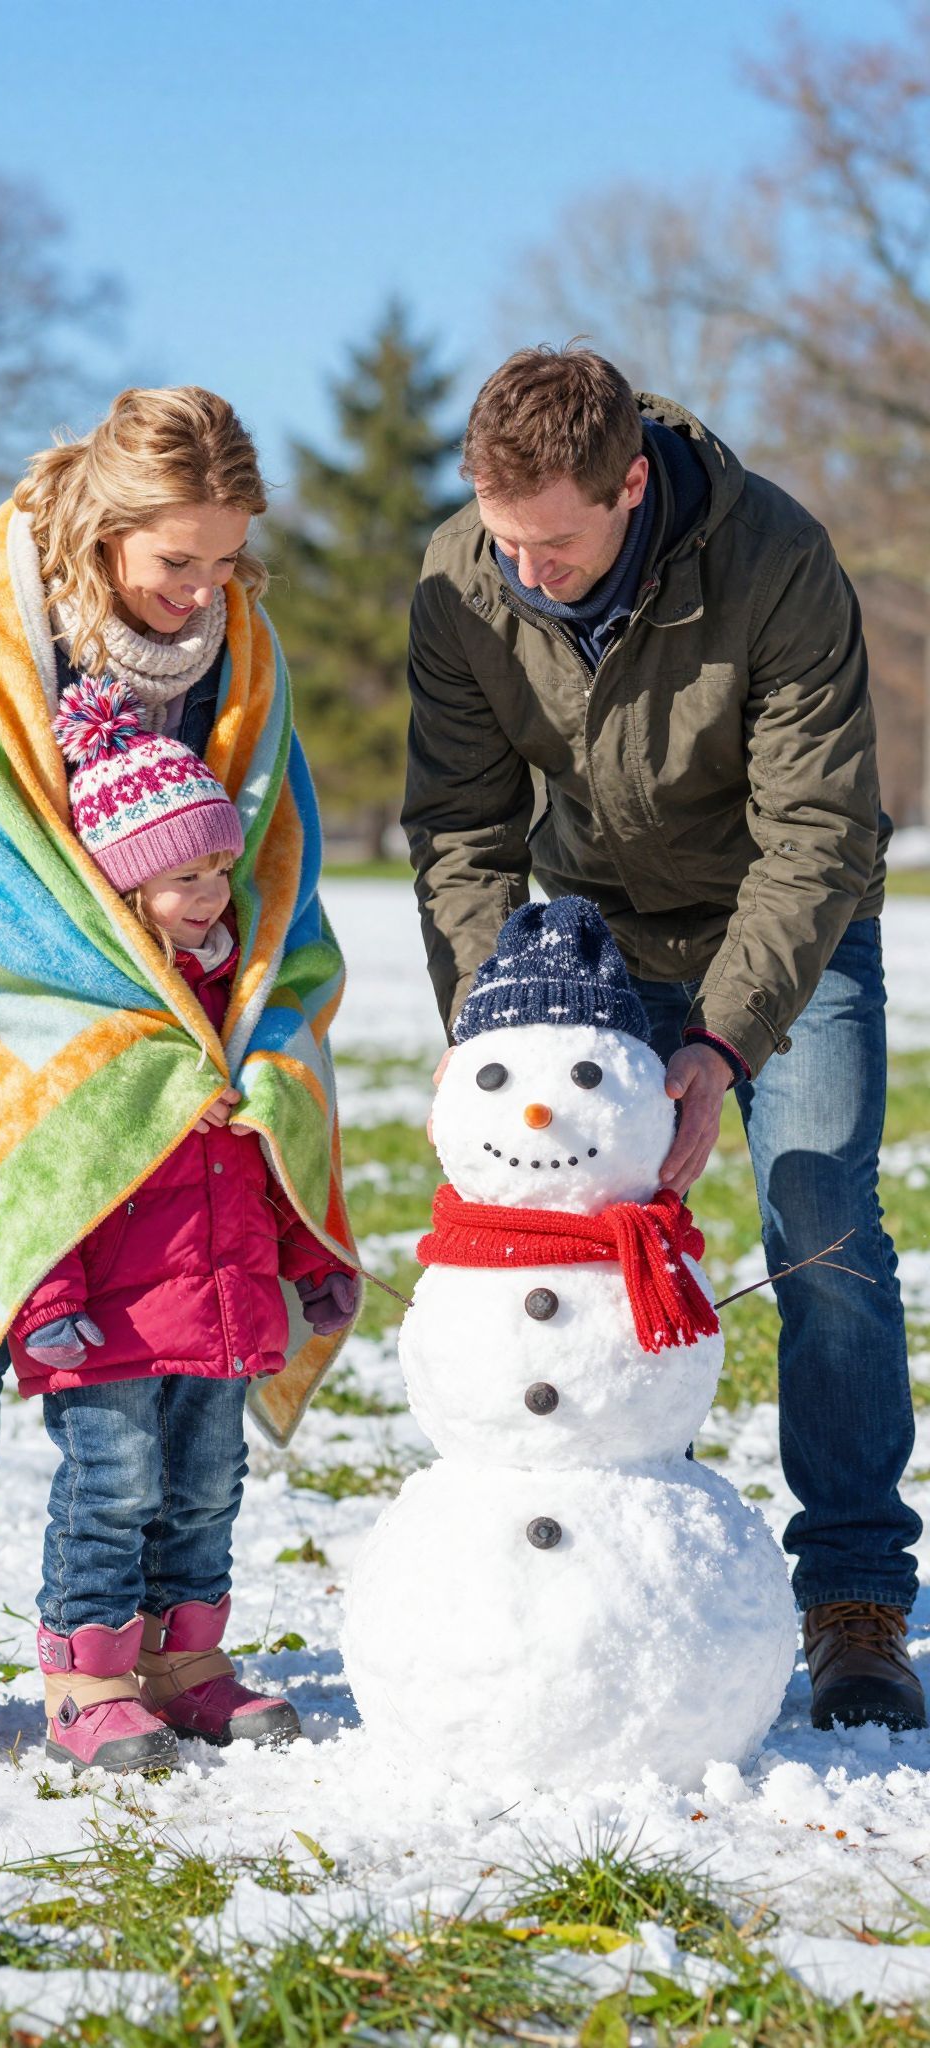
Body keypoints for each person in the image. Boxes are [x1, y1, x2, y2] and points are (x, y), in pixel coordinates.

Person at [0, 387, 357, 1755]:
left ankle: (165, 1651)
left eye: (226, 561)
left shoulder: (242, 645)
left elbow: (275, 848)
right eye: (176, 563)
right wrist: (113, 1014)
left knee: (190, 1420)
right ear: (102, 532)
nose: (202, 590)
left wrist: (244, 1017)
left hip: (194, 1026)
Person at [404, 343, 924, 1733]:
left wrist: (725, 1046)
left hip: (789, 923)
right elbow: (461, 827)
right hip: (594, 935)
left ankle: (857, 1595)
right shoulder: (462, 575)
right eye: (503, 536)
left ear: (633, 485)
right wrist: (487, 1033)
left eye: (554, 545)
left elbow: (818, 834)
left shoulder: (776, 562)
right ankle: (627, 1577)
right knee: (585, 1238)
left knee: (819, 1215)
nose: (524, 568)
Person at [6, 681, 356, 1772]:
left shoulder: (239, 1005)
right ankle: (87, 1677)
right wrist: (49, 1299)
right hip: (106, 1319)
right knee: (112, 1489)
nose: (210, 894)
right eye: (180, 877)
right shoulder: (98, 1022)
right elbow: (47, 1166)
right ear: (121, 887)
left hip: (225, 1302)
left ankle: (185, 1664)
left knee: (208, 1486)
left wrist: (312, 1256)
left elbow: (270, 1152)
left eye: (217, 871)